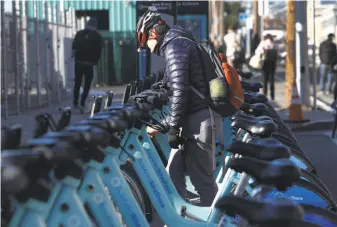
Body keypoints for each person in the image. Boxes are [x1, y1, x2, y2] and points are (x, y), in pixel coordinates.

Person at [137, 7, 223, 206]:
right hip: (191, 118)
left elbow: (180, 91)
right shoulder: (178, 41)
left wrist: (172, 127)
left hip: (197, 120)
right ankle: (178, 219)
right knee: (173, 176)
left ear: (152, 33)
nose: (147, 48)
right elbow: (174, 86)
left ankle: (221, 220)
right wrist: (163, 124)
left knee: (203, 183)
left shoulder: (175, 47)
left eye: (144, 41)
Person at [72, 17, 103, 113]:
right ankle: (82, 101)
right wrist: (95, 61)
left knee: (77, 83)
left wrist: (76, 58)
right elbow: (99, 50)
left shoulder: (79, 33)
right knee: (87, 84)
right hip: (89, 64)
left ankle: (75, 102)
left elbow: (74, 47)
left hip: (78, 62)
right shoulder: (97, 36)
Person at [255, 34, 278, 100]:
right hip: (272, 63)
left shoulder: (263, 43)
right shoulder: (273, 43)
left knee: (264, 80)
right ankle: (272, 96)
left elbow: (258, 51)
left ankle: (264, 96)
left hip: (264, 63)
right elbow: (277, 52)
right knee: (272, 80)